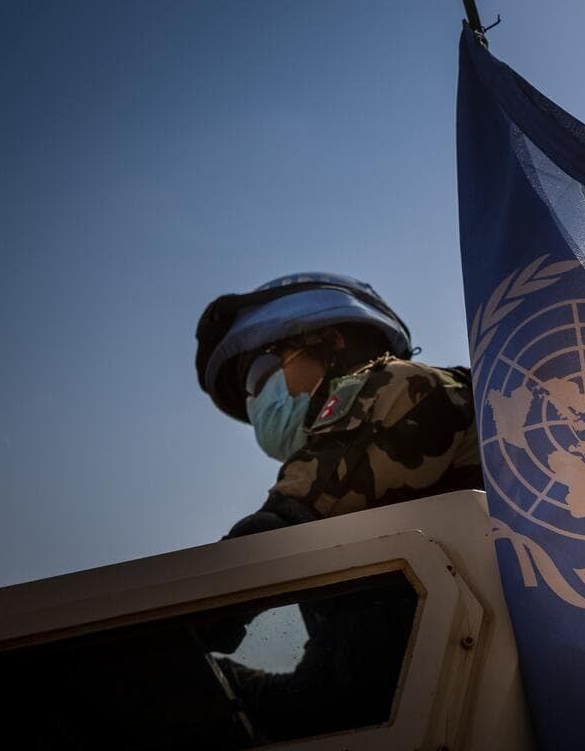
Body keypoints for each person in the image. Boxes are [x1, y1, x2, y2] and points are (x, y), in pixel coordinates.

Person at [193, 272, 482, 741]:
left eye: (260, 374)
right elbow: (339, 693)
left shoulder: (398, 387)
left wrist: (163, 631)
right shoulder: (357, 532)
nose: (256, 400)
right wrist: (230, 691)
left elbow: (277, 532)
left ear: (331, 343)